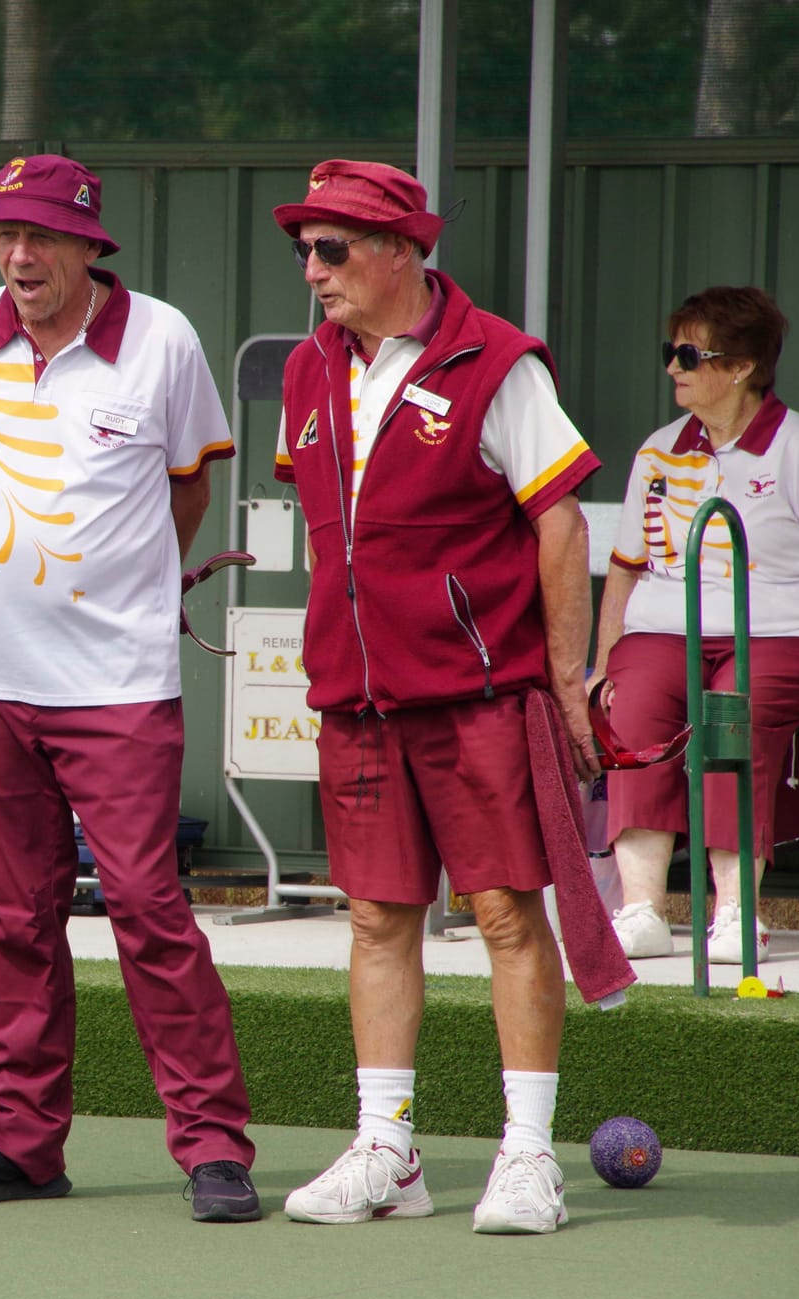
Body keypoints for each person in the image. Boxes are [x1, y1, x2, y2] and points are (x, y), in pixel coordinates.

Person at [270, 161, 624, 1235]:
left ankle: (527, 1158)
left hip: (477, 692)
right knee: (376, 918)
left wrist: (562, 676)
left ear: (398, 251)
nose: (311, 271)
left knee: (507, 915)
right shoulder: (304, 369)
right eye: (303, 250)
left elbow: (558, 521)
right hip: (357, 699)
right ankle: (389, 1150)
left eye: (330, 250)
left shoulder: (497, 362)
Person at [0, 154, 261, 1223]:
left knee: (149, 909)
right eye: (1, 238)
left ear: (86, 245)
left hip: (117, 682)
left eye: (39, 239)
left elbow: (187, 487)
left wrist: (125, 591)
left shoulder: (163, 339)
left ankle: (211, 1146)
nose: (17, 257)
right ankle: (24, 1142)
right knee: (10, 913)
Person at [592, 287, 799, 963]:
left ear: (740, 368)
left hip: (784, 633)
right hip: (663, 631)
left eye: (688, 355)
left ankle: (735, 915)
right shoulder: (659, 449)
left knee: (730, 718)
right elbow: (624, 568)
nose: (672, 367)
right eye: (669, 353)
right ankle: (640, 910)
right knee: (634, 715)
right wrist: (602, 663)